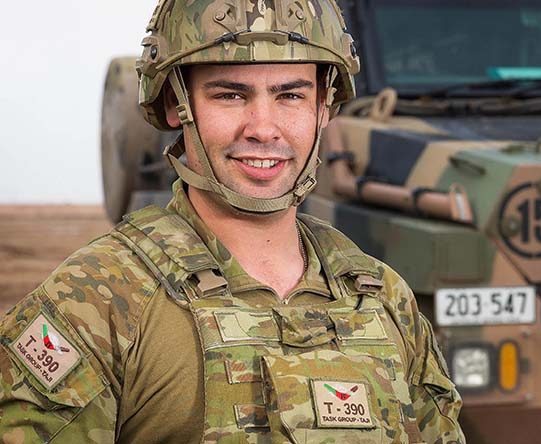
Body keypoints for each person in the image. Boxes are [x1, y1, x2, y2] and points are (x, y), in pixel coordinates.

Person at [0, 1, 465, 442]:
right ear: (174, 105)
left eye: (290, 96)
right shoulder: (98, 298)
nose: (263, 128)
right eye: (229, 94)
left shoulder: (382, 297)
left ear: (323, 107)